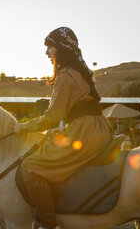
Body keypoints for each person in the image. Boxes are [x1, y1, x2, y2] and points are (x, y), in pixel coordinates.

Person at [14, 27, 113, 229]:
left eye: (49, 47)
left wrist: (23, 127)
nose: (46, 53)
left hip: (84, 132)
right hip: (99, 127)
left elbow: (53, 117)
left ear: (60, 48)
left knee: (29, 167)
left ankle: (49, 223)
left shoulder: (66, 75)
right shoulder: (82, 72)